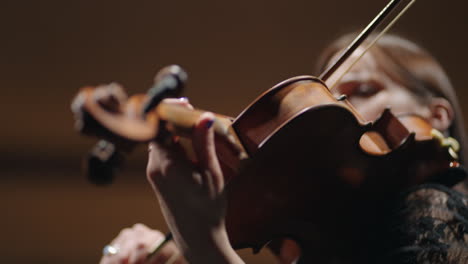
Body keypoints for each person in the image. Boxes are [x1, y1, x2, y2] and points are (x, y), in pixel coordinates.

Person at [99, 33, 468, 264]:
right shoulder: (324, 241)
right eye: (336, 97)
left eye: (364, 91)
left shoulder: (433, 208)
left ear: (436, 115)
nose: (343, 111)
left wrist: (203, 241)